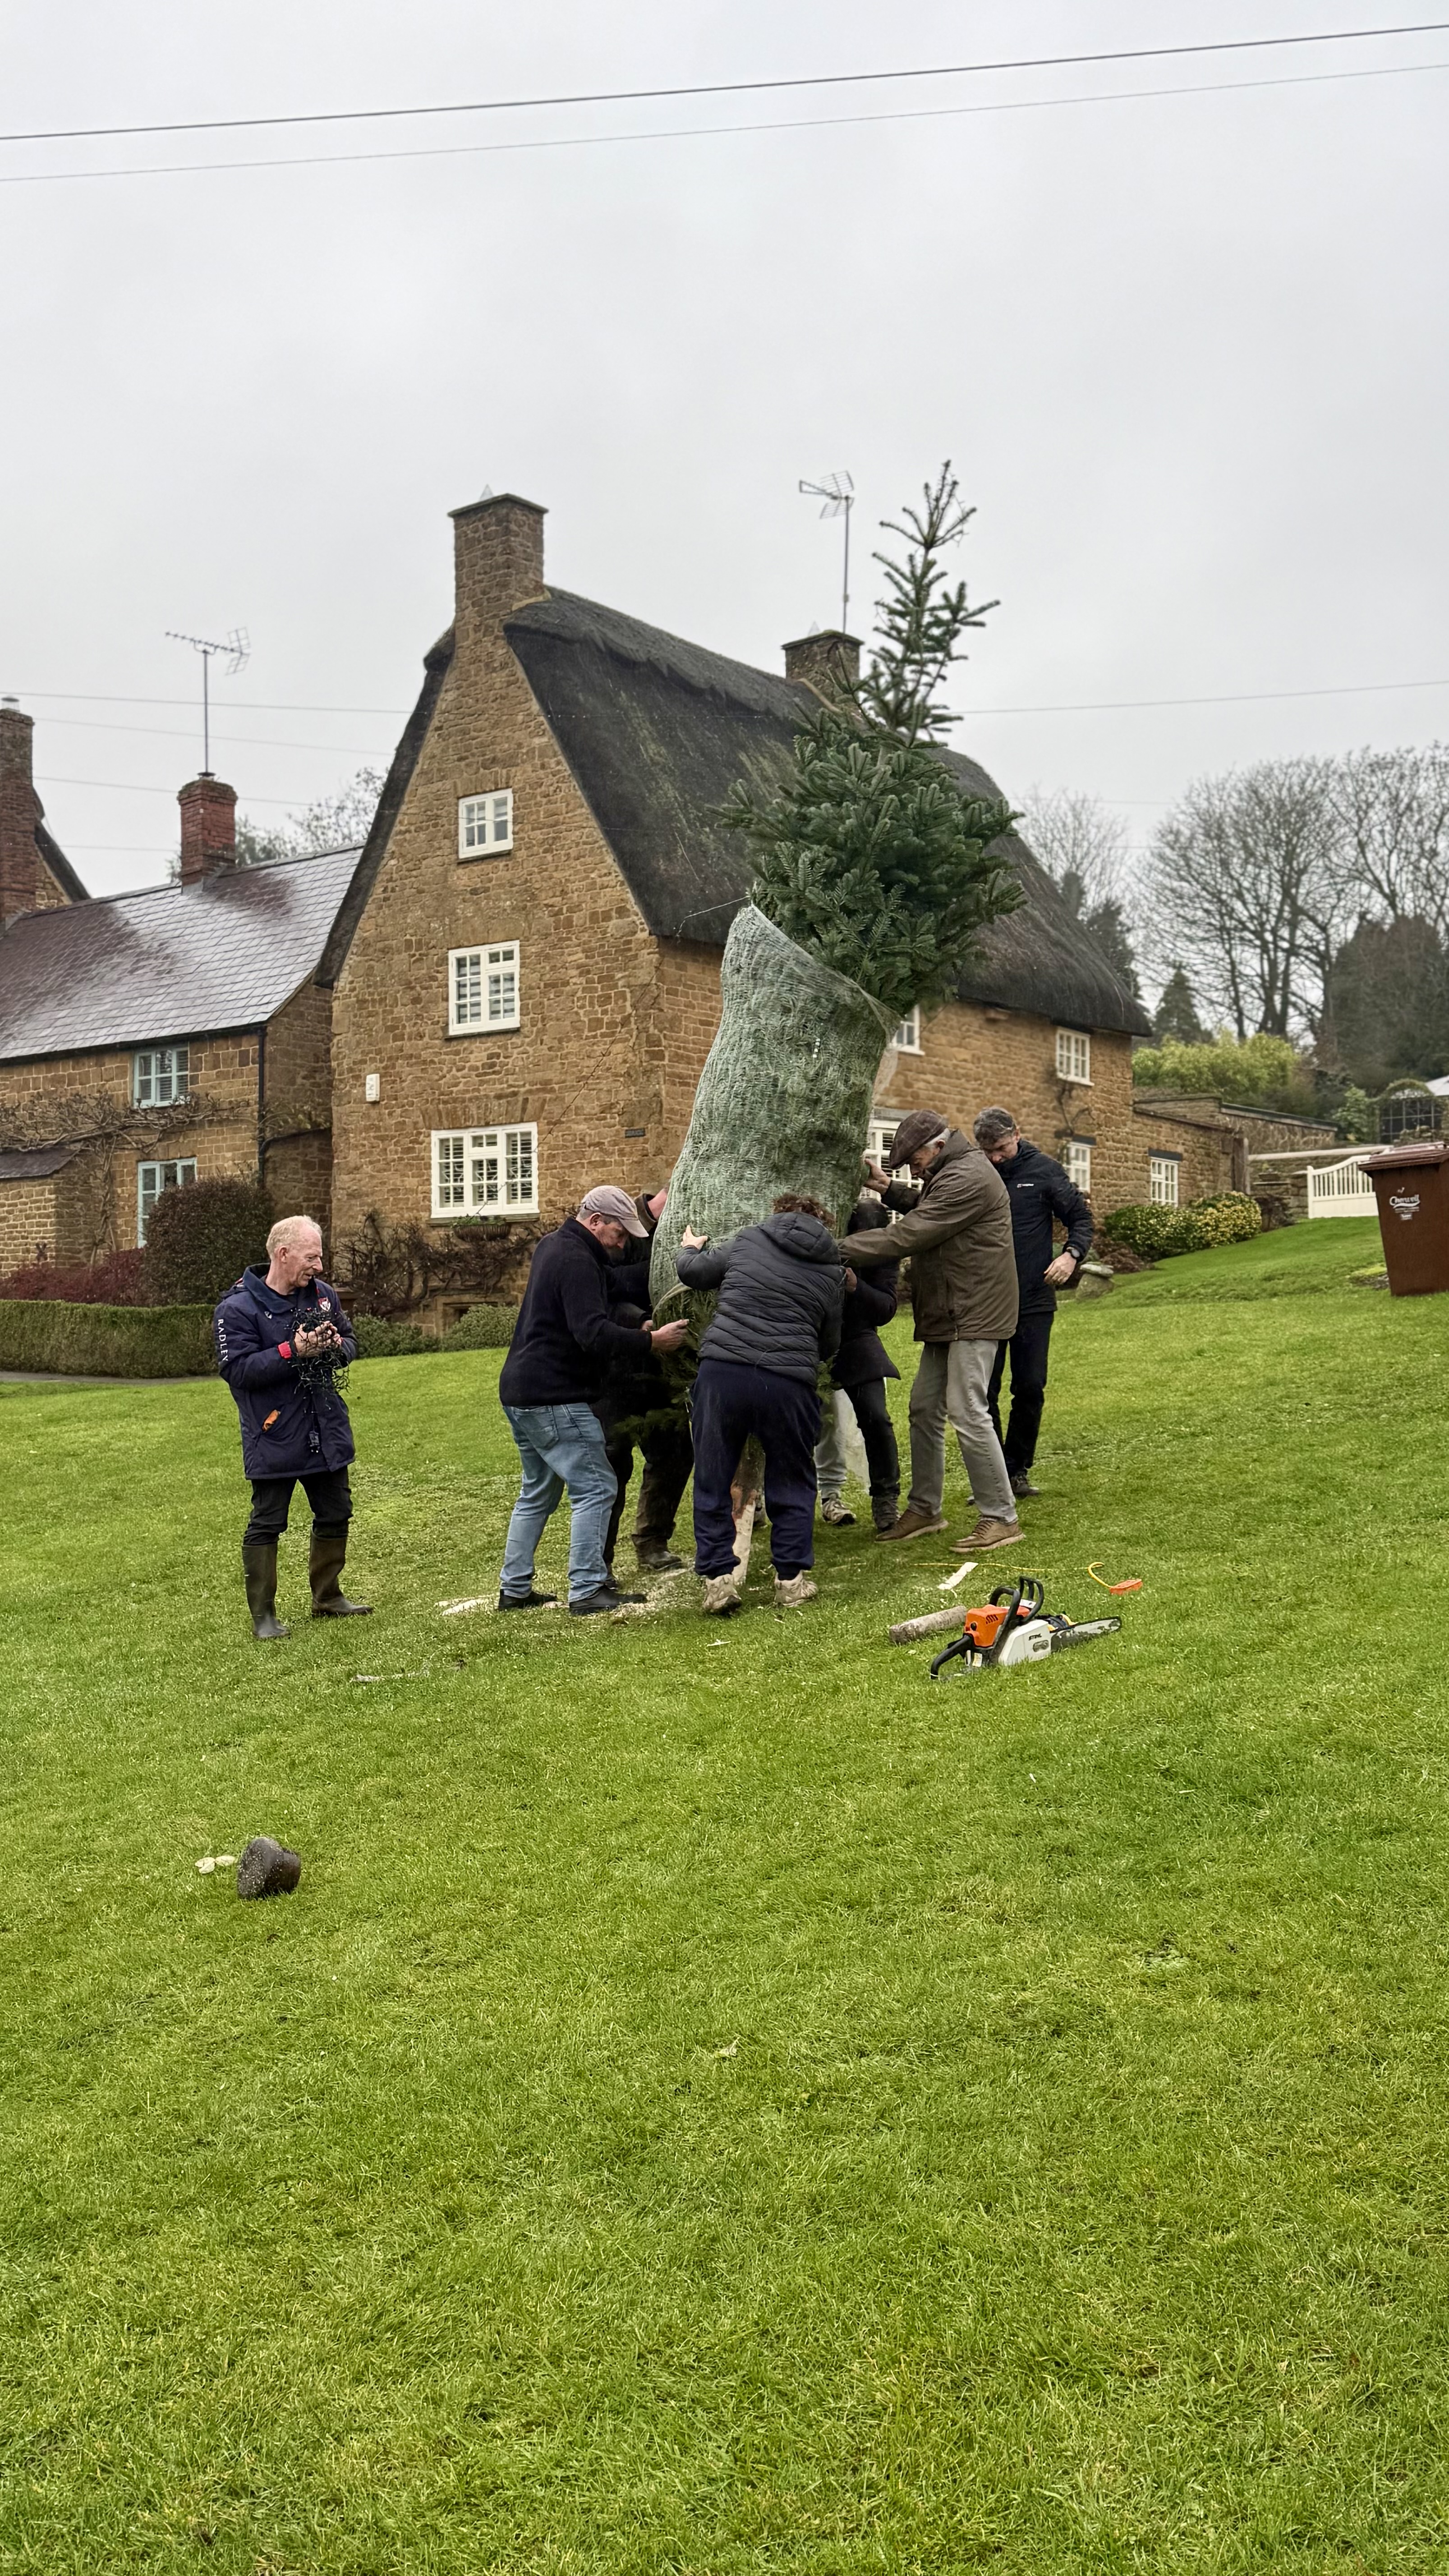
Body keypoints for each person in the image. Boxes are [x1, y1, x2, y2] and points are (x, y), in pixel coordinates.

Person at [497, 1185, 689, 1616]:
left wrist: (680, 1259)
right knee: (597, 1485)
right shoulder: (577, 1259)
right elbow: (592, 1333)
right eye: (619, 1235)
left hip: (519, 1390)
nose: (622, 1245)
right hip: (555, 1394)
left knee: (538, 1491)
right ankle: (587, 1589)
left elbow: (620, 1282)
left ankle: (514, 1588)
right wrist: (652, 1341)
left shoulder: (554, 1245)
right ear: (596, 1221)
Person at [851, 1107, 1022, 1551]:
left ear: (939, 1147)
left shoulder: (967, 1176)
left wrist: (829, 1249)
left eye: (914, 1161)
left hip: (975, 1309)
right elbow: (929, 1207)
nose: (913, 1168)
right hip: (950, 1309)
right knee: (925, 1407)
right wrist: (886, 1186)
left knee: (967, 1408)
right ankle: (926, 1509)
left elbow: (910, 1235)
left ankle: (1001, 1516)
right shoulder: (951, 1170)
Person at [675, 1193, 845, 1615]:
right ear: (824, 1225)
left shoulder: (750, 1240)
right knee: (792, 1478)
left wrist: (689, 1247)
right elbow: (829, 1342)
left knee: (713, 1476)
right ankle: (790, 1580)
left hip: (724, 1373)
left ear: (779, 1215)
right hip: (788, 1382)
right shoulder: (831, 1270)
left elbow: (696, 1273)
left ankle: (718, 1582)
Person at [214, 1213, 370, 1641]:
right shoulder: (237, 1308)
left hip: (326, 1427)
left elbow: (351, 1339)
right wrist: (293, 1350)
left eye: (319, 1257)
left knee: (336, 1511)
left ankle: (328, 1596)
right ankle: (264, 1617)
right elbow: (238, 1370)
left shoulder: (322, 1296)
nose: (318, 1267)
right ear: (282, 1254)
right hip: (274, 1433)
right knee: (268, 1522)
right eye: (311, 1257)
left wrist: (337, 1348)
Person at [974, 1106, 1094, 1498]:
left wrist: (1071, 1254)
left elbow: (1080, 1218)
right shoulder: (975, 1171)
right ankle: (993, 1477)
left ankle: (1017, 1471)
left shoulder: (1044, 1169)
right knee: (984, 1393)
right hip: (987, 1301)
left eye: (1002, 1148)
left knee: (1028, 1387)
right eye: (988, 1150)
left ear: (1017, 1135)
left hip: (1034, 1298)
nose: (996, 1157)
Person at [597, 1184, 694, 1578]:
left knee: (674, 1453)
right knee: (611, 1463)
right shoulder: (613, 1235)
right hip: (614, 1369)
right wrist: (639, 1321)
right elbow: (600, 1294)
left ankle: (653, 1540)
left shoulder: (674, 1231)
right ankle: (598, 1559)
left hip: (659, 1368)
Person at [814, 1196, 902, 1534]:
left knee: (876, 1418)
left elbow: (885, 1309)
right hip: (811, 1340)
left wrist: (856, 1286)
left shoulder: (885, 1254)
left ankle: (885, 1497)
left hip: (856, 1338)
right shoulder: (823, 1244)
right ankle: (767, 1498)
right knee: (800, 1424)